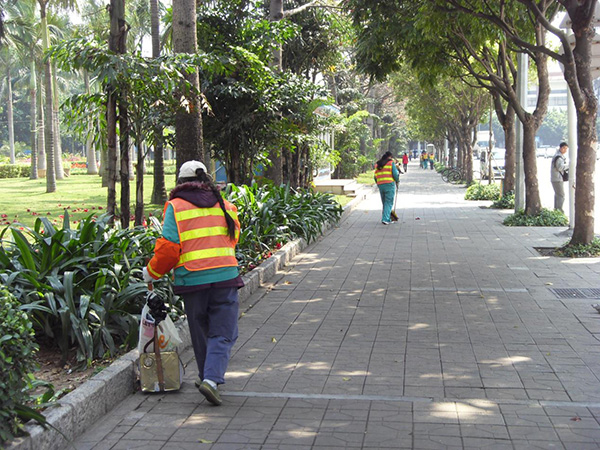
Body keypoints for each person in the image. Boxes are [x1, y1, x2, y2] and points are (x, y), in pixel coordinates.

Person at [142, 160, 243, 406]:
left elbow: (169, 249)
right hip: (225, 277)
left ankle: (206, 377)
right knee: (223, 331)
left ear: (180, 182)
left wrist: (151, 272)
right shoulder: (225, 204)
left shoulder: (175, 207)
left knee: (200, 330)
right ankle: (210, 379)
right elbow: (234, 237)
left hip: (192, 279)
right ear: (206, 179)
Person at [374, 151, 400, 225]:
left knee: (384, 202)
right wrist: (397, 181)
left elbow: (375, 176)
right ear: (390, 157)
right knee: (388, 202)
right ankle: (385, 219)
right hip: (389, 184)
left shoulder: (378, 164)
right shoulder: (391, 163)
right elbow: (395, 174)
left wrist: (378, 183)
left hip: (381, 184)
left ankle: (386, 216)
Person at [551, 142, 568, 213]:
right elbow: (560, 168)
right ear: (561, 148)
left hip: (556, 178)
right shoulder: (558, 157)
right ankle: (559, 210)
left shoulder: (557, 156)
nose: (565, 150)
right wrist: (568, 165)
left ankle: (556, 210)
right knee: (561, 195)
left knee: (558, 195)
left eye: (566, 149)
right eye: (564, 148)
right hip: (557, 179)